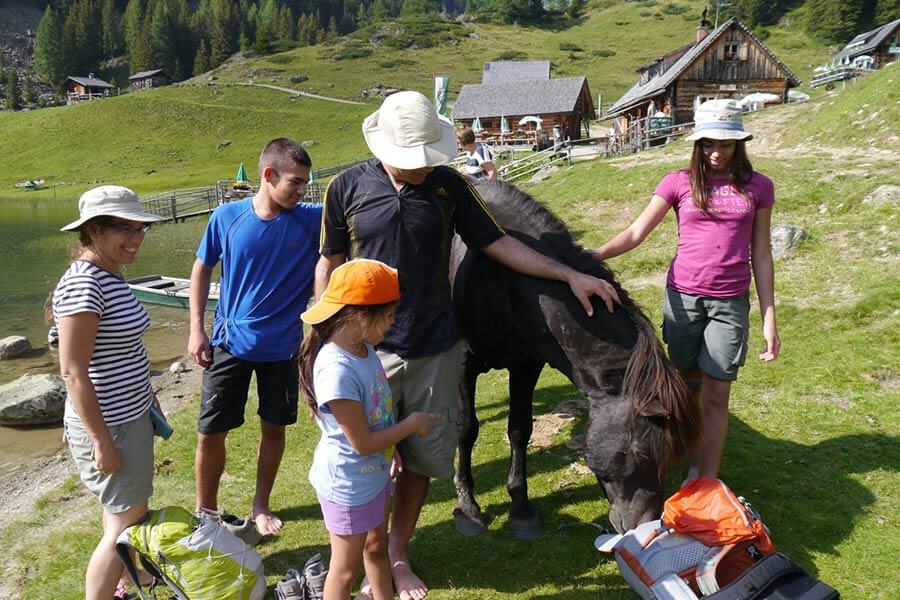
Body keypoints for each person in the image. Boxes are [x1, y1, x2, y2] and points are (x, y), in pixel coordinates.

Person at [316, 90, 620, 600]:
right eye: (411, 158)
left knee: (420, 458)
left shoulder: (449, 186)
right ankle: (369, 557)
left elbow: (498, 243)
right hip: (366, 351)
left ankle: (397, 555)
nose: (421, 166)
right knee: (363, 457)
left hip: (435, 346)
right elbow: (330, 261)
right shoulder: (345, 187)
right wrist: (323, 334)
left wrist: (569, 274)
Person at [595, 99, 781, 481]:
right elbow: (636, 232)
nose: (716, 152)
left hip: (729, 302)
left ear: (739, 143)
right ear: (697, 143)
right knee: (686, 385)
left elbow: (762, 255)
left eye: (725, 144)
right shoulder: (677, 182)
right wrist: (591, 256)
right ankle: (688, 462)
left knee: (717, 392)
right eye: (708, 143)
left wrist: (769, 318)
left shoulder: (759, 187)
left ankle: (706, 479)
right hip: (683, 298)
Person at [188, 138, 321, 536]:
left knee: (274, 429)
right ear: (268, 175)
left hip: (283, 348)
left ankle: (260, 506)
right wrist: (196, 329)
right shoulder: (227, 216)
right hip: (229, 344)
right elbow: (201, 268)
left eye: (305, 183)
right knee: (211, 432)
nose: (302, 191)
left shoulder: (311, 219)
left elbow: (355, 207)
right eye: (295, 182)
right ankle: (205, 513)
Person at [299, 259, 443, 600]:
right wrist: (410, 425)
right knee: (345, 571)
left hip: (374, 475)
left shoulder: (363, 349)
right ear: (361, 315)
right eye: (389, 315)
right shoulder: (337, 370)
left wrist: (390, 451)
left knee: (377, 548)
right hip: (348, 486)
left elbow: (377, 416)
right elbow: (362, 442)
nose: (392, 323)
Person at [52, 185, 164, 600]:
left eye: (140, 229)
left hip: (128, 415)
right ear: (94, 231)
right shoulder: (85, 283)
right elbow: (73, 372)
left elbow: (122, 349)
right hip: (110, 425)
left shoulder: (110, 272)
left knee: (119, 511)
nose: (136, 238)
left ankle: (127, 578)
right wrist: (102, 441)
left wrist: (147, 397)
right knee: (125, 522)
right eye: (125, 229)